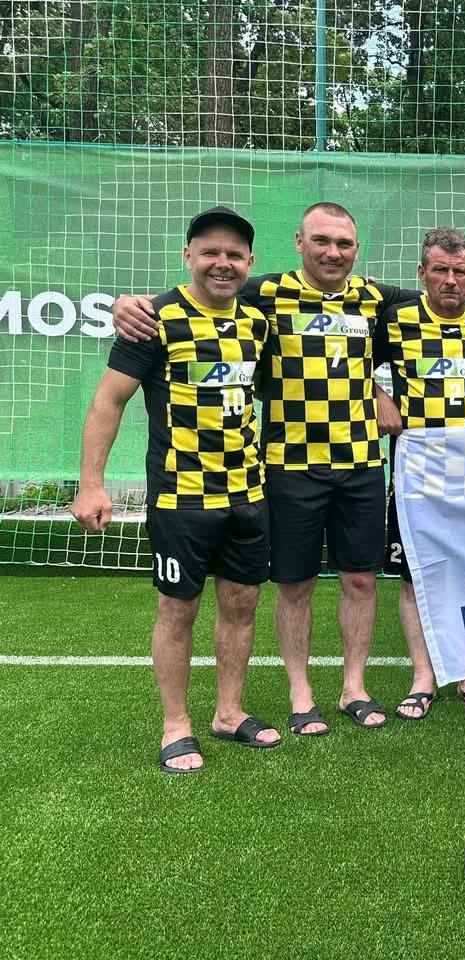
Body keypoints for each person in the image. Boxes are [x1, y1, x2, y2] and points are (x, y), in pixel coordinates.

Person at [112, 203, 465, 735]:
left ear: (356, 250)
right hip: (288, 465)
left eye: (343, 244)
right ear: (300, 243)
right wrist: (126, 302)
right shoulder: (265, 293)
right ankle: (301, 696)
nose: (332, 252)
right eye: (321, 241)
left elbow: (442, 294)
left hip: (363, 464)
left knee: (361, 580)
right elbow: (202, 292)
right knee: (294, 585)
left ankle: (353, 688)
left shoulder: (374, 298)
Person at [71, 206, 280, 772]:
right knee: (178, 609)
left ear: (250, 262)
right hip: (181, 498)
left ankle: (229, 713)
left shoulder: (258, 323)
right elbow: (108, 402)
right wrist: (91, 485)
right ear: (188, 256)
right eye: (210, 252)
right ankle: (176, 725)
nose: (222, 263)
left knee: (242, 604)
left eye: (234, 255)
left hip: (247, 493)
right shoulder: (154, 319)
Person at [377, 228, 465, 717]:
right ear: (422, 273)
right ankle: (423, 675)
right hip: (416, 476)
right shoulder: (396, 321)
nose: (450, 280)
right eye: (440, 270)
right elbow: (345, 364)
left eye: (460, 272)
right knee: (415, 579)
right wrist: (379, 395)